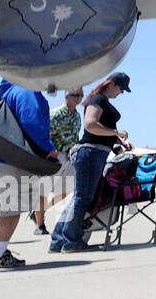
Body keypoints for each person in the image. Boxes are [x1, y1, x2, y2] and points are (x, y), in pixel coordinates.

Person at [0, 80, 58, 267]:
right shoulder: (26, 90)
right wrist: (47, 148)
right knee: (12, 209)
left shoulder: (6, 93)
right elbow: (30, 120)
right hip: (13, 160)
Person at [48, 73, 132, 253]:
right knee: (82, 198)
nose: (121, 93)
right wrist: (116, 133)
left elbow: (96, 131)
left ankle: (58, 241)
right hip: (90, 153)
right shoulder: (98, 100)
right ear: (112, 84)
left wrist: (118, 141)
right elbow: (91, 125)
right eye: (121, 89)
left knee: (79, 198)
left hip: (93, 152)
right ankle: (71, 241)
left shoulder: (99, 100)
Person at [31, 87, 84, 234]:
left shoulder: (77, 116)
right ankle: (40, 225)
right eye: (76, 95)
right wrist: (47, 151)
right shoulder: (55, 114)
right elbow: (42, 132)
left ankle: (39, 211)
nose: (79, 98)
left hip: (69, 156)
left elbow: (76, 135)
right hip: (53, 155)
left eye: (81, 95)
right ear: (67, 96)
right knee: (44, 189)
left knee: (70, 188)